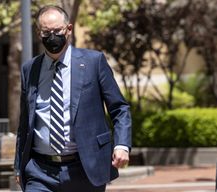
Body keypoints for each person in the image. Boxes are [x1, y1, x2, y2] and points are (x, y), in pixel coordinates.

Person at [14, 5, 132, 192]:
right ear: (39, 33)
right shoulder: (30, 69)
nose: (52, 36)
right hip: (40, 171)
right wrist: (19, 165)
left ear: (68, 29)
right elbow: (25, 124)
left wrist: (122, 145)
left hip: (84, 168)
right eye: (46, 32)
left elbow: (119, 108)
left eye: (57, 30)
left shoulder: (94, 62)